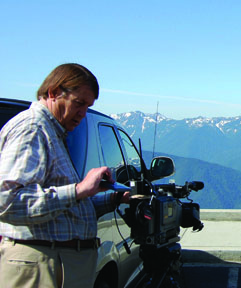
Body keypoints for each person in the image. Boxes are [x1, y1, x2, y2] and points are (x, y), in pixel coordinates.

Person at [0, 63, 129, 288]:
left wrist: (112, 198)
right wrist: (79, 189)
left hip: (53, 264)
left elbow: (61, 211)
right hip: (40, 267)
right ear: (53, 93)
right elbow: (8, 202)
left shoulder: (54, 132)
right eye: (79, 104)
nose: (82, 114)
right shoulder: (32, 129)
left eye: (88, 106)